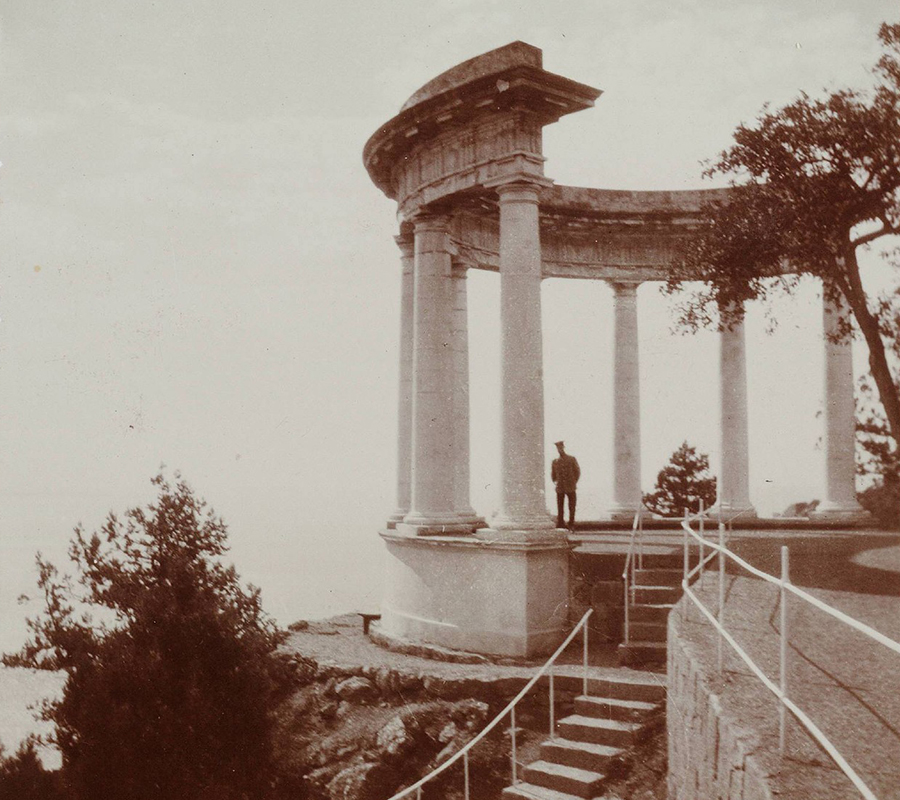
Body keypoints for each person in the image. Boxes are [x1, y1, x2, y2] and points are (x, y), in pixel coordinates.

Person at [551, 440, 580, 530]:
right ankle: (560, 523)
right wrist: (555, 482)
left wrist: (574, 482)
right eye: (558, 448)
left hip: (570, 486)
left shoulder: (571, 459)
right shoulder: (555, 461)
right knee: (560, 506)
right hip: (560, 487)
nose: (559, 449)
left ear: (563, 448)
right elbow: (553, 474)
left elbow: (577, 471)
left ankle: (571, 523)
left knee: (572, 506)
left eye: (560, 447)